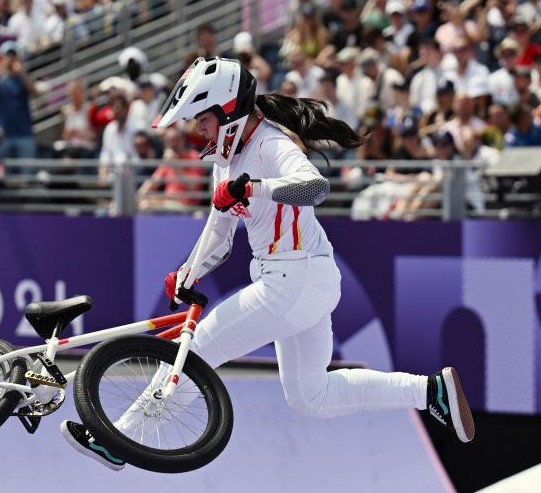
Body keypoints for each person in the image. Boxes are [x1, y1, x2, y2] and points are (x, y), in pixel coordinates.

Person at [60, 57, 475, 470]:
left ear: (226, 111)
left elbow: (315, 188)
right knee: (312, 397)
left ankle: (118, 440)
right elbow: (218, 235)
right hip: (303, 282)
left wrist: (254, 189)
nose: (196, 131)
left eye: (201, 120)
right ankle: (430, 391)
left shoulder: (272, 145)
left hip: (292, 279)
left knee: (197, 349)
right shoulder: (226, 160)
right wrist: (188, 272)